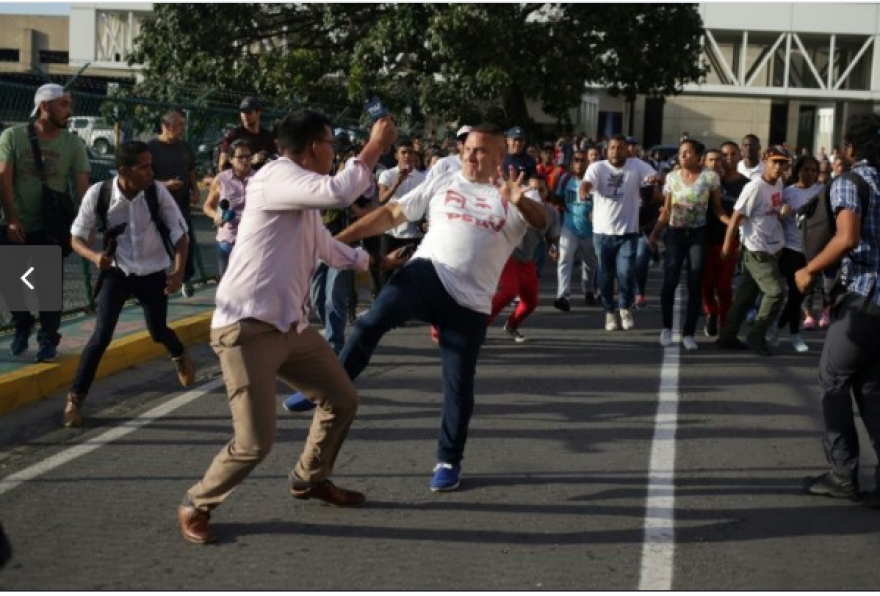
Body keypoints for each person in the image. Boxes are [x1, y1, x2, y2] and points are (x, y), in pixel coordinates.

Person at [177, 111, 398, 544]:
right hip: (246, 328)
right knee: (254, 442)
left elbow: (328, 248)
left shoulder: (300, 199)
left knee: (341, 398)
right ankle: (196, 503)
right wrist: (375, 147)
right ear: (315, 148)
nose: (335, 153)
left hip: (290, 328)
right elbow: (340, 191)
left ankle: (309, 478)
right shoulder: (277, 177)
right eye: (332, 144)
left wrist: (378, 262)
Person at [305, 124, 547, 493]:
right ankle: (330, 387)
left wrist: (520, 201)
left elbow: (541, 221)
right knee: (372, 321)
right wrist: (331, 242)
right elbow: (390, 215)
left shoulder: (516, 193)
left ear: (500, 156)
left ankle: (449, 460)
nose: (470, 155)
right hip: (428, 272)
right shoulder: (444, 181)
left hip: (470, 302)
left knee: (458, 385)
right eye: (466, 148)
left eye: (481, 150)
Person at [63, 141, 195, 427]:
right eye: (144, 167)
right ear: (124, 170)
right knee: (101, 337)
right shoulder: (99, 194)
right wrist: (94, 255)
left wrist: (177, 271)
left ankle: (179, 354)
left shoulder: (156, 193)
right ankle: (75, 398)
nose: (151, 172)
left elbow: (180, 234)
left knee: (158, 331)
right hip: (117, 272)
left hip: (152, 272)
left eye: (151, 166)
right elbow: (75, 238)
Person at [795, 113, 880, 503]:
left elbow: (847, 238)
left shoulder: (851, 182)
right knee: (870, 387)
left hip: (864, 297)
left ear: (850, 148)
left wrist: (809, 268)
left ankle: (843, 474)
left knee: (833, 378)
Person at [0, 83, 90, 362]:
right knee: (10, 282)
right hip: (14, 221)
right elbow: (3, 177)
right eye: (63, 104)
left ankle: (48, 338)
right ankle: (22, 322)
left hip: (50, 225)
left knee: (47, 285)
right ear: (44, 106)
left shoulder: (73, 144)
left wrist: (86, 225)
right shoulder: (12, 137)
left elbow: (83, 187)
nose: (69, 111)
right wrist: (12, 219)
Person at [649, 140, 728, 350]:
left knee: (695, 283)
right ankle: (666, 328)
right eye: (681, 153)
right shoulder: (672, 177)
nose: (683, 156)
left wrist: (732, 224)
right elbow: (666, 211)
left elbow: (717, 208)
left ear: (699, 157)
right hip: (675, 233)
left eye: (688, 153)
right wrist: (654, 234)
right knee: (670, 280)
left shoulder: (710, 177)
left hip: (698, 235)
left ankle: (689, 334)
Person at [579, 134, 660, 331]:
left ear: (627, 150)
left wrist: (654, 178)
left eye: (620, 147)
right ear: (607, 150)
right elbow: (587, 183)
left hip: (628, 233)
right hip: (602, 233)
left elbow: (653, 175)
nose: (616, 151)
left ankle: (624, 307)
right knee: (605, 276)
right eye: (612, 147)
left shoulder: (636, 165)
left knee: (626, 273)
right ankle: (609, 312)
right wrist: (584, 190)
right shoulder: (597, 167)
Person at [717, 146, 791, 356]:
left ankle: (727, 337)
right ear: (765, 161)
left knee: (745, 298)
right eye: (774, 161)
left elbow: (771, 216)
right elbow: (735, 218)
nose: (778, 166)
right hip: (755, 249)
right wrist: (726, 247)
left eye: (782, 163)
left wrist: (778, 242)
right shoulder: (754, 187)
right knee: (776, 292)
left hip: (768, 248)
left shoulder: (778, 183)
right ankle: (756, 334)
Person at [489, 175, 558, 343]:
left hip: (527, 261)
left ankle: (511, 326)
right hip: (508, 256)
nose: (536, 194)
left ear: (547, 192)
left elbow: (552, 237)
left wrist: (553, 247)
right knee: (508, 292)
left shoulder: (552, 213)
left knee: (531, 302)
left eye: (540, 190)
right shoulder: (513, 205)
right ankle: (476, 327)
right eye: (532, 189)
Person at [771, 155, 823, 353]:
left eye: (813, 170)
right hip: (791, 248)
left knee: (799, 295)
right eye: (806, 169)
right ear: (797, 171)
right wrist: (782, 215)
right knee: (795, 293)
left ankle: (778, 327)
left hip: (813, 251)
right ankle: (794, 334)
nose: (810, 173)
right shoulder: (787, 193)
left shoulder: (821, 191)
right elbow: (776, 217)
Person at [148, 109, 200, 297]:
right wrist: (166, 185)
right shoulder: (151, 149)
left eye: (183, 125)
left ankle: (185, 278)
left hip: (181, 204)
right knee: (157, 246)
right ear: (166, 126)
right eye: (179, 125)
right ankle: (150, 286)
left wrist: (194, 189)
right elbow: (144, 179)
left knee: (188, 242)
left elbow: (191, 170)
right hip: (158, 207)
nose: (182, 129)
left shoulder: (185, 147)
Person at [702, 142, 749, 337]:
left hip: (730, 240)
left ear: (739, 156)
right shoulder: (709, 182)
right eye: (723, 155)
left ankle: (725, 329)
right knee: (705, 284)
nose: (727, 158)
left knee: (723, 286)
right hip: (705, 238)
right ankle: (711, 312)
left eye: (732, 154)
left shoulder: (746, 184)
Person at [553, 148, 597, 311]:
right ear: (571, 163)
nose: (579, 163)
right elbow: (557, 199)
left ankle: (589, 290)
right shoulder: (565, 179)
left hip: (590, 230)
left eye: (582, 160)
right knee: (564, 259)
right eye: (576, 160)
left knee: (590, 263)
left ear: (588, 163)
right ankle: (563, 295)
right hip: (569, 226)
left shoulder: (594, 181)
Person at [377, 141, 427, 285]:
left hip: (413, 235)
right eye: (403, 152)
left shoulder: (423, 178)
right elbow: (381, 199)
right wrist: (397, 183)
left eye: (410, 152)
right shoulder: (387, 174)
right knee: (385, 276)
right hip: (390, 233)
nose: (407, 156)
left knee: (412, 278)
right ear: (396, 155)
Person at [202, 139, 254, 277]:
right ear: (231, 159)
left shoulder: (260, 178)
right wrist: (216, 216)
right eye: (240, 157)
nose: (245, 160)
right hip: (228, 242)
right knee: (225, 289)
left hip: (252, 242)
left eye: (248, 156)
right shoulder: (221, 179)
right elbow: (207, 206)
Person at [218, 96, 276, 172]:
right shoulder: (234, 135)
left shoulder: (267, 136)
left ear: (258, 113)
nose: (245, 115)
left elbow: (276, 159)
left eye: (249, 112)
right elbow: (222, 166)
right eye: (242, 112)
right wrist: (250, 161)